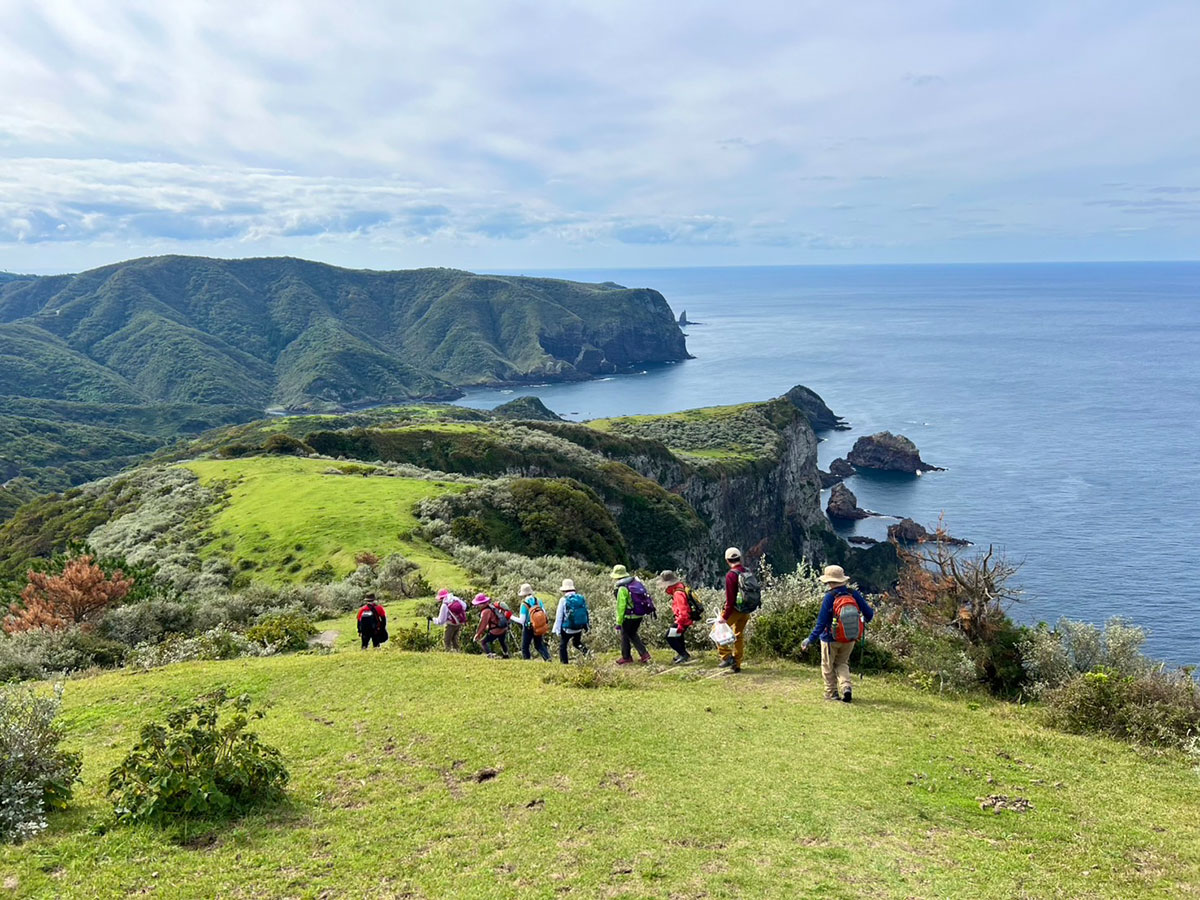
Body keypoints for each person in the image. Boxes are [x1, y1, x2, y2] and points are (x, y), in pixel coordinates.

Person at [801, 565, 875, 702]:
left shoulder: (830, 597)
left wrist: (809, 640)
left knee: (828, 665)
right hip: (849, 637)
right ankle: (846, 686)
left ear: (829, 582)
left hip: (830, 638)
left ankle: (831, 693)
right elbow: (869, 615)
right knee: (842, 663)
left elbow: (821, 623)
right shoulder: (853, 594)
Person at [717, 547, 759, 673]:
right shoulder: (746, 571)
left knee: (717, 631)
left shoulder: (731, 575)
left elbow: (730, 601)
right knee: (738, 635)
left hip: (735, 610)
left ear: (727, 560)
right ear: (739, 558)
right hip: (746, 609)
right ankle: (737, 664)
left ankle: (727, 656)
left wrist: (724, 618)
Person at [611, 564, 653, 665]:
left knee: (625, 634)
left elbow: (621, 607)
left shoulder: (622, 588)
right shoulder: (636, 582)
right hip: (639, 614)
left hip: (629, 616)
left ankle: (626, 657)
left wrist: (619, 622)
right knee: (632, 633)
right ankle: (644, 654)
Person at [657, 570, 695, 665]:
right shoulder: (680, 587)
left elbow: (683, 610)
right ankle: (682, 654)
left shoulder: (678, 593)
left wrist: (680, 624)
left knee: (669, 637)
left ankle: (683, 654)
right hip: (686, 619)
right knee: (678, 636)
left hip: (682, 620)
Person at [553, 578, 590, 664]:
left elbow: (559, 616)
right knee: (577, 642)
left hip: (568, 628)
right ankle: (587, 654)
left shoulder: (563, 600)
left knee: (563, 645)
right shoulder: (580, 598)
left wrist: (557, 630)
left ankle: (564, 663)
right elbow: (586, 612)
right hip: (579, 627)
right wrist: (586, 625)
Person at [517, 583, 552, 661]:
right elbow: (544, 613)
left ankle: (527, 661)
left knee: (525, 646)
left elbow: (522, 620)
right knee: (539, 645)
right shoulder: (538, 601)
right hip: (538, 626)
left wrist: (510, 617)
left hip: (528, 627)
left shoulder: (524, 604)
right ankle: (548, 658)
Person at [472, 593, 511, 658]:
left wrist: (478, 634)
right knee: (502, 641)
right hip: (503, 628)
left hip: (495, 630)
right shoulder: (492, 607)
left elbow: (483, 624)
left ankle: (490, 654)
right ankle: (506, 654)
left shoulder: (485, 611)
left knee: (483, 642)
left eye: (478, 604)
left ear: (482, 604)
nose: (477, 606)